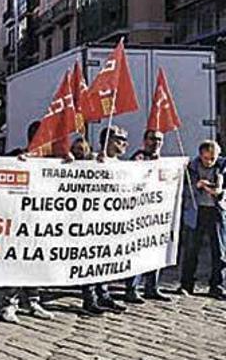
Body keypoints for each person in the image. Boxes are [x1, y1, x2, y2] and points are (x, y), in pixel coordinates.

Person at [0, 121, 54, 323]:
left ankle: (33, 300)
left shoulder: (52, 162)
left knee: (35, 261)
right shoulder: (17, 155)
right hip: (19, 223)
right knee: (18, 261)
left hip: (40, 222)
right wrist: (16, 162)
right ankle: (9, 303)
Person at [79, 126, 130, 315]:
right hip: (92, 220)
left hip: (110, 221)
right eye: (120, 140)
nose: (124, 144)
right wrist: (93, 165)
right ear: (108, 141)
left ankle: (104, 294)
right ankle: (89, 297)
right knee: (91, 258)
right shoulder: (92, 159)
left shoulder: (120, 163)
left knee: (105, 258)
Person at [123, 130, 170, 302]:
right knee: (137, 251)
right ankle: (132, 288)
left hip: (156, 215)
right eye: (152, 139)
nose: (155, 143)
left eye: (159, 139)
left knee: (155, 250)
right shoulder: (139, 158)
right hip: (139, 215)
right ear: (144, 141)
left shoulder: (163, 161)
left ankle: (152, 286)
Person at [179, 139, 226, 300]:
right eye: (206, 158)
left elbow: (222, 187)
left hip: (216, 211)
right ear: (200, 155)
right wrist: (198, 185)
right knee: (191, 249)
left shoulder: (222, 166)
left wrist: (218, 190)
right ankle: (186, 284)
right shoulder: (192, 166)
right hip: (197, 211)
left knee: (219, 251)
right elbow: (184, 188)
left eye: (212, 159)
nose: (209, 162)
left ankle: (217, 285)